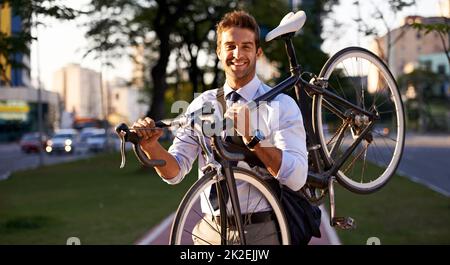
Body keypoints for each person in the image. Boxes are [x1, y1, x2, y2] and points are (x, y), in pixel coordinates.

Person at [133, 10, 308, 245]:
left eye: (246, 46)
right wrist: (152, 148)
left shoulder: (280, 104)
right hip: (210, 231)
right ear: (218, 52)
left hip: (260, 231)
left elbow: (297, 177)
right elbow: (175, 171)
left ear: (258, 52)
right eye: (230, 46)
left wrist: (252, 138)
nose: (238, 54)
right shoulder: (203, 105)